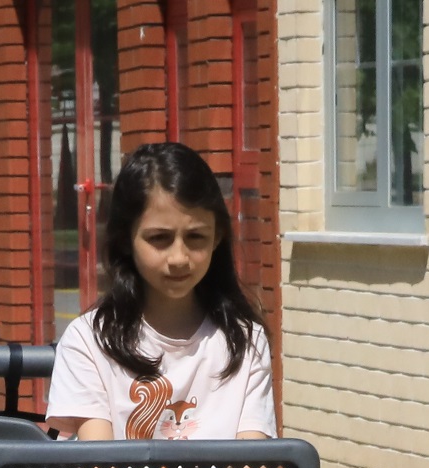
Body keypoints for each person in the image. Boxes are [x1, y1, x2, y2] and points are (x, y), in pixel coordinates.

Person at [47, 143, 276, 443]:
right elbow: (99, 464)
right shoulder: (88, 342)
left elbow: (253, 464)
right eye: (159, 238)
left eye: (196, 237)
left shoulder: (247, 341)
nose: (179, 257)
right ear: (125, 240)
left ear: (217, 237)